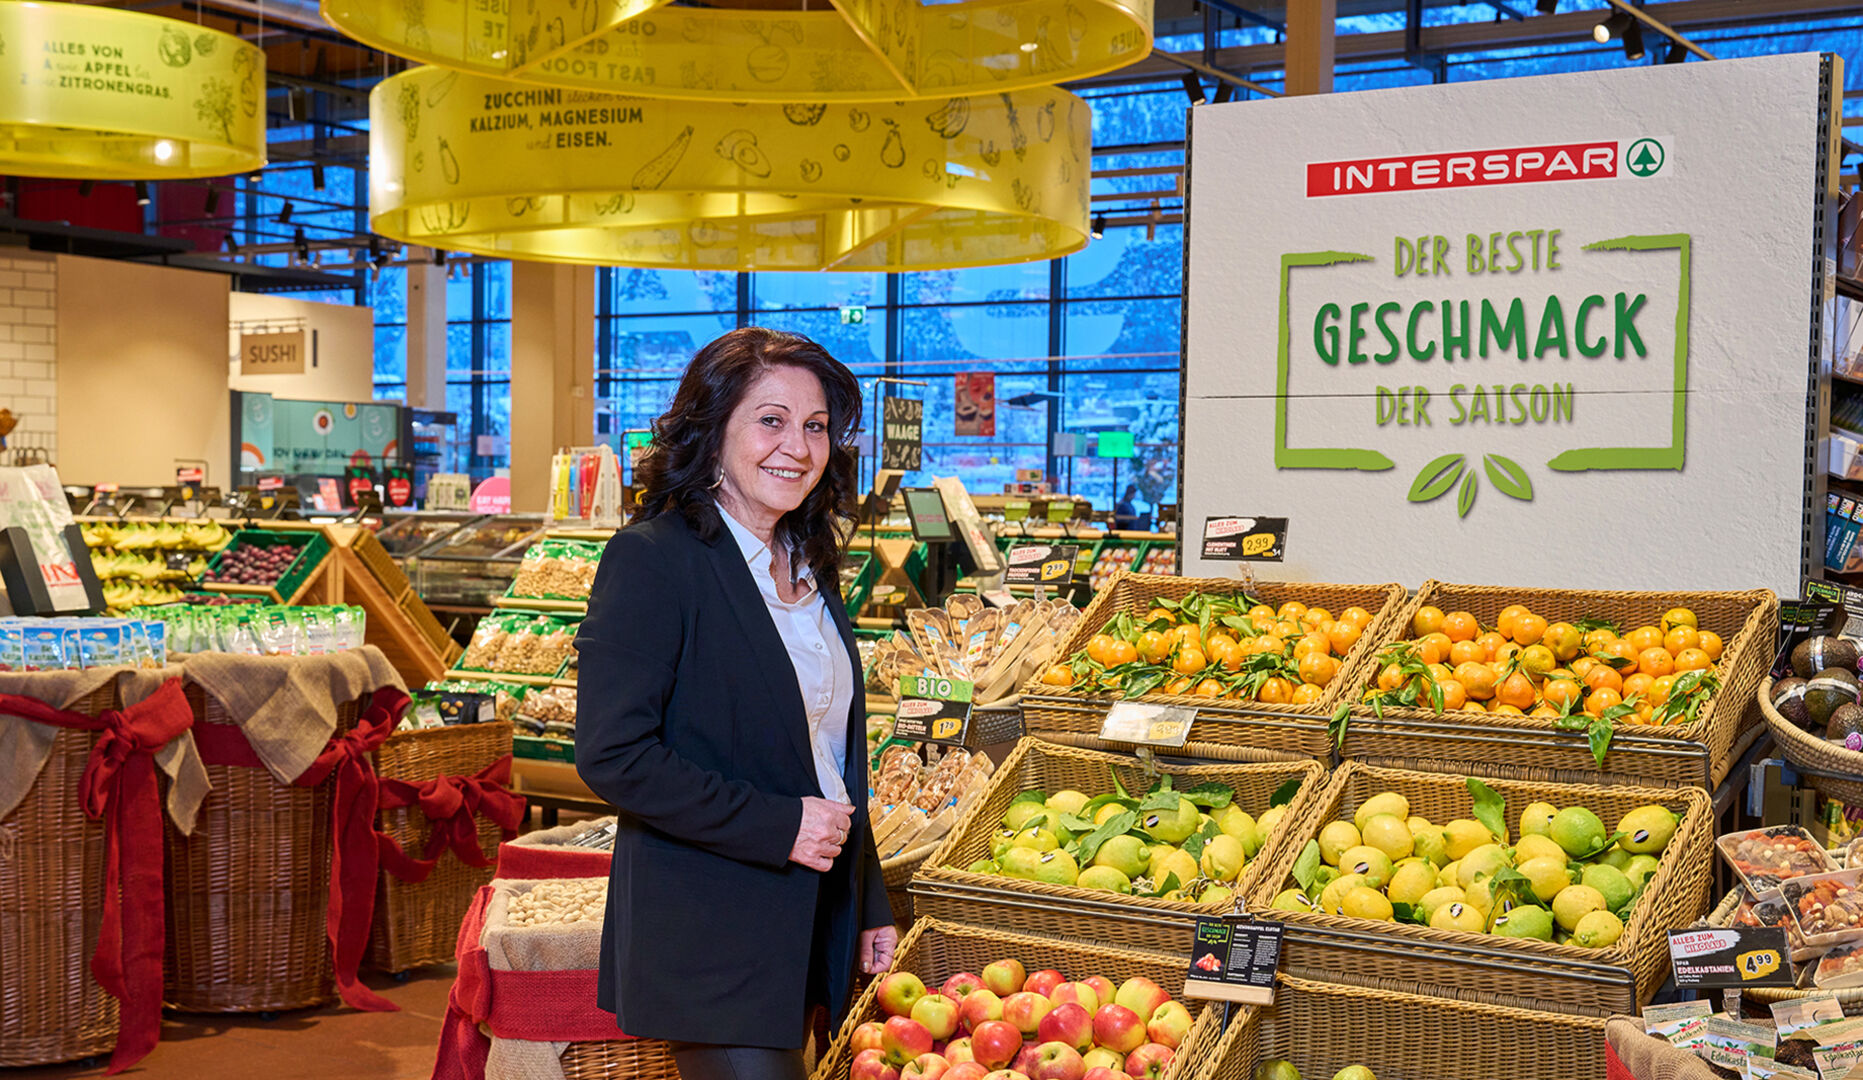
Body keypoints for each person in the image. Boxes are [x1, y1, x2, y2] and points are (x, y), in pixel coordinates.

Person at [574, 327, 896, 1080]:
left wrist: (867, 898)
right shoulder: (654, 560)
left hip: (810, 916)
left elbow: (827, 756)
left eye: (815, 426)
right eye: (771, 419)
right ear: (712, 432)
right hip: (711, 927)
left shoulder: (809, 563)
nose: (798, 445)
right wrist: (779, 824)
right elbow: (613, 754)